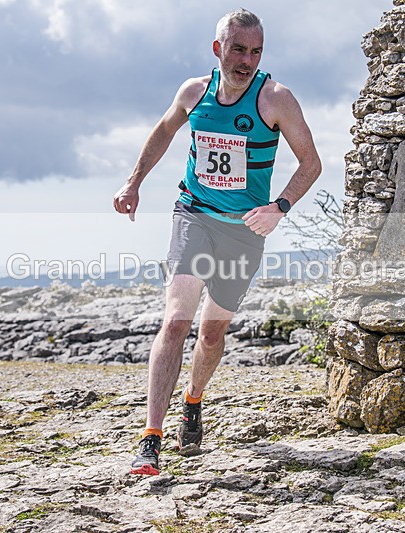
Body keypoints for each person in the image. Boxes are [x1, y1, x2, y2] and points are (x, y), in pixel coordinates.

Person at [112, 8, 321, 476]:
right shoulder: (194, 92)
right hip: (193, 215)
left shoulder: (276, 99)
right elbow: (165, 132)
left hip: (244, 231)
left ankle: (193, 401)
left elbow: (311, 163)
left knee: (211, 333)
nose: (247, 60)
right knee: (176, 320)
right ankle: (150, 438)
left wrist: (279, 207)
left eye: (256, 51)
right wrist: (134, 182)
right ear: (217, 49)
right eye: (238, 49)